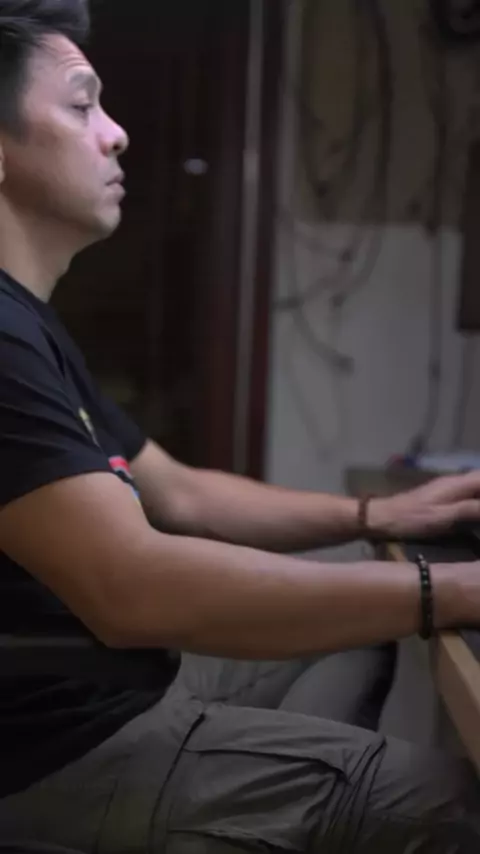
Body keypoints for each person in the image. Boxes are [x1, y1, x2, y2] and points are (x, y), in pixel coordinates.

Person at [0, 2, 480, 851]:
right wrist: (451, 590)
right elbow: (133, 589)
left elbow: (180, 492)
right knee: (449, 802)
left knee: (355, 642)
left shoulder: (28, 325)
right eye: (82, 106)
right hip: (59, 749)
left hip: (113, 687)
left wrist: (374, 517)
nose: (117, 134)